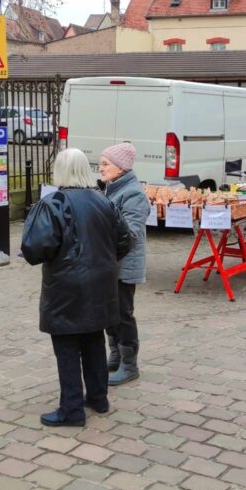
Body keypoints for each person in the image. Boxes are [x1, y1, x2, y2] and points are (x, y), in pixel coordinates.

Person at [21, 148, 131, 427]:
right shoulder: (104, 202)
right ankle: (98, 397)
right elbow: (125, 241)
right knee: (93, 339)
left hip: (66, 287)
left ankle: (71, 409)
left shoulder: (54, 203)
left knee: (68, 346)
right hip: (99, 284)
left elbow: (35, 249)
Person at [98, 142, 148, 385]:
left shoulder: (133, 193)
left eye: (105, 164)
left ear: (121, 168)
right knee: (110, 312)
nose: (100, 168)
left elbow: (130, 234)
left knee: (122, 314)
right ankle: (116, 354)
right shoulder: (111, 188)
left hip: (124, 265)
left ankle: (130, 364)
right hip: (110, 263)